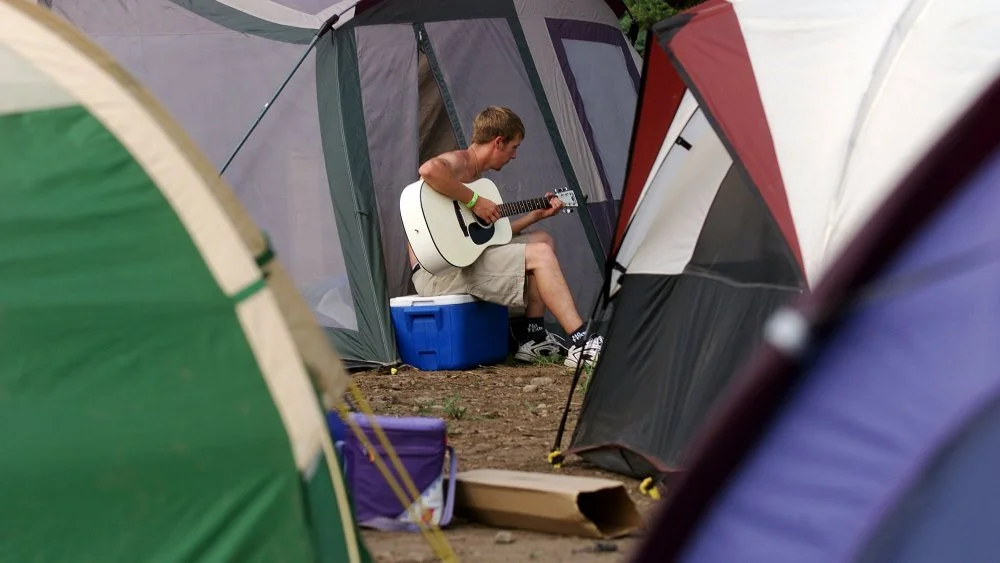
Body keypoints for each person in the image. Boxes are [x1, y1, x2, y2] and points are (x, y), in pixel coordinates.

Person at [407, 106, 603, 369]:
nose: (514, 155)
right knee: (541, 255)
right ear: (498, 142)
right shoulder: (459, 163)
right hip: (439, 274)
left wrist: (535, 216)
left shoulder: (476, 179)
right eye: (514, 147)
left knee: (542, 240)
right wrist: (474, 201)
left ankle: (533, 338)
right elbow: (429, 170)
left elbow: (485, 239)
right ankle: (581, 343)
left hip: (462, 260)